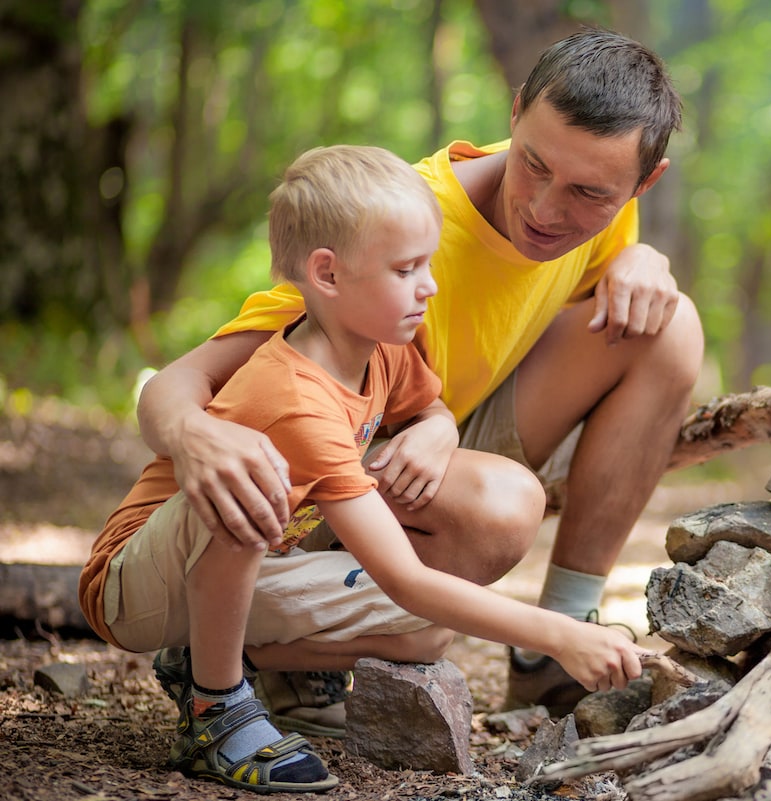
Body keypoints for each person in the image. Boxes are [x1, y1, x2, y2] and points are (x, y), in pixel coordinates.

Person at [135, 28, 704, 726]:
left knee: (670, 325)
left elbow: (607, 245)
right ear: (516, 110)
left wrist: (640, 258)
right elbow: (176, 382)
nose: (546, 208)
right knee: (504, 507)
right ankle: (248, 644)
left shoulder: (608, 212)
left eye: (589, 192)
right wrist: (192, 435)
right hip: (313, 480)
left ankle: (554, 654)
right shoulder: (399, 224)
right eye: (533, 164)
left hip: (430, 430)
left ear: (644, 181)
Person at [79, 145, 647, 794]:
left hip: (254, 564)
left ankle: (204, 658)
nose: (428, 286)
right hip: (140, 579)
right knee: (254, 478)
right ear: (327, 275)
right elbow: (401, 577)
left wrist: (437, 425)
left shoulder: (380, 348)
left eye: (427, 263)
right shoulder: (293, 397)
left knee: (432, 628)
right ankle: (217, 709)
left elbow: (425, 402)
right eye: (407, 269)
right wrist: (562, 634)